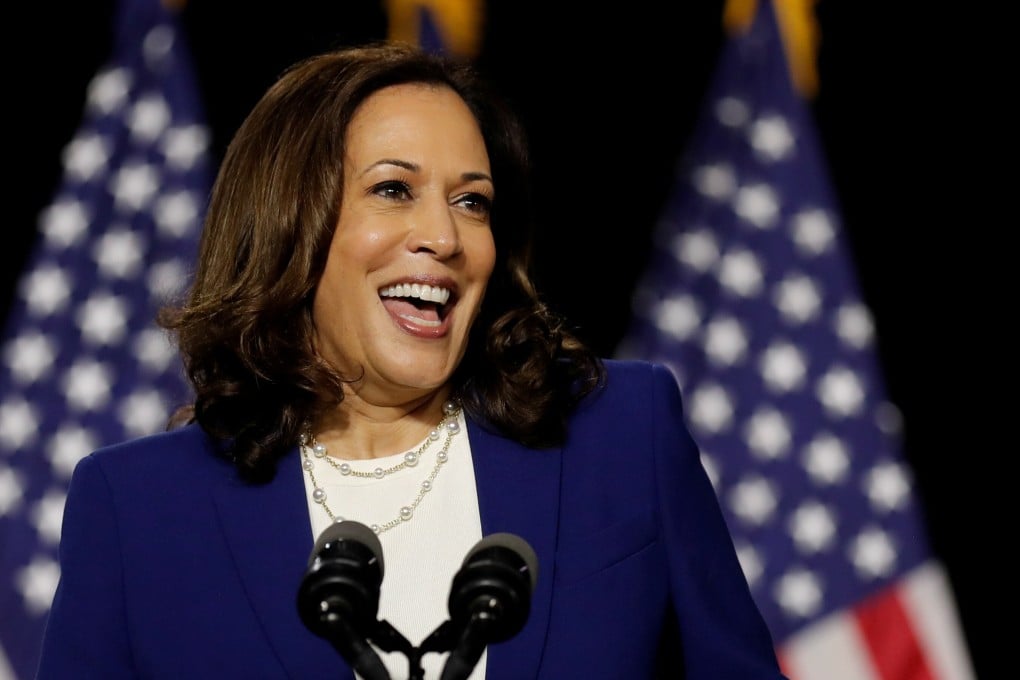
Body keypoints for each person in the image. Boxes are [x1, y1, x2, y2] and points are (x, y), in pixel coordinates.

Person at [36, 42, 788, 680]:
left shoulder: (621, 435)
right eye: (393, 190)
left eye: (473, 201)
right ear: (290, 224)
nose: (445, 236)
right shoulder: (138, 509)